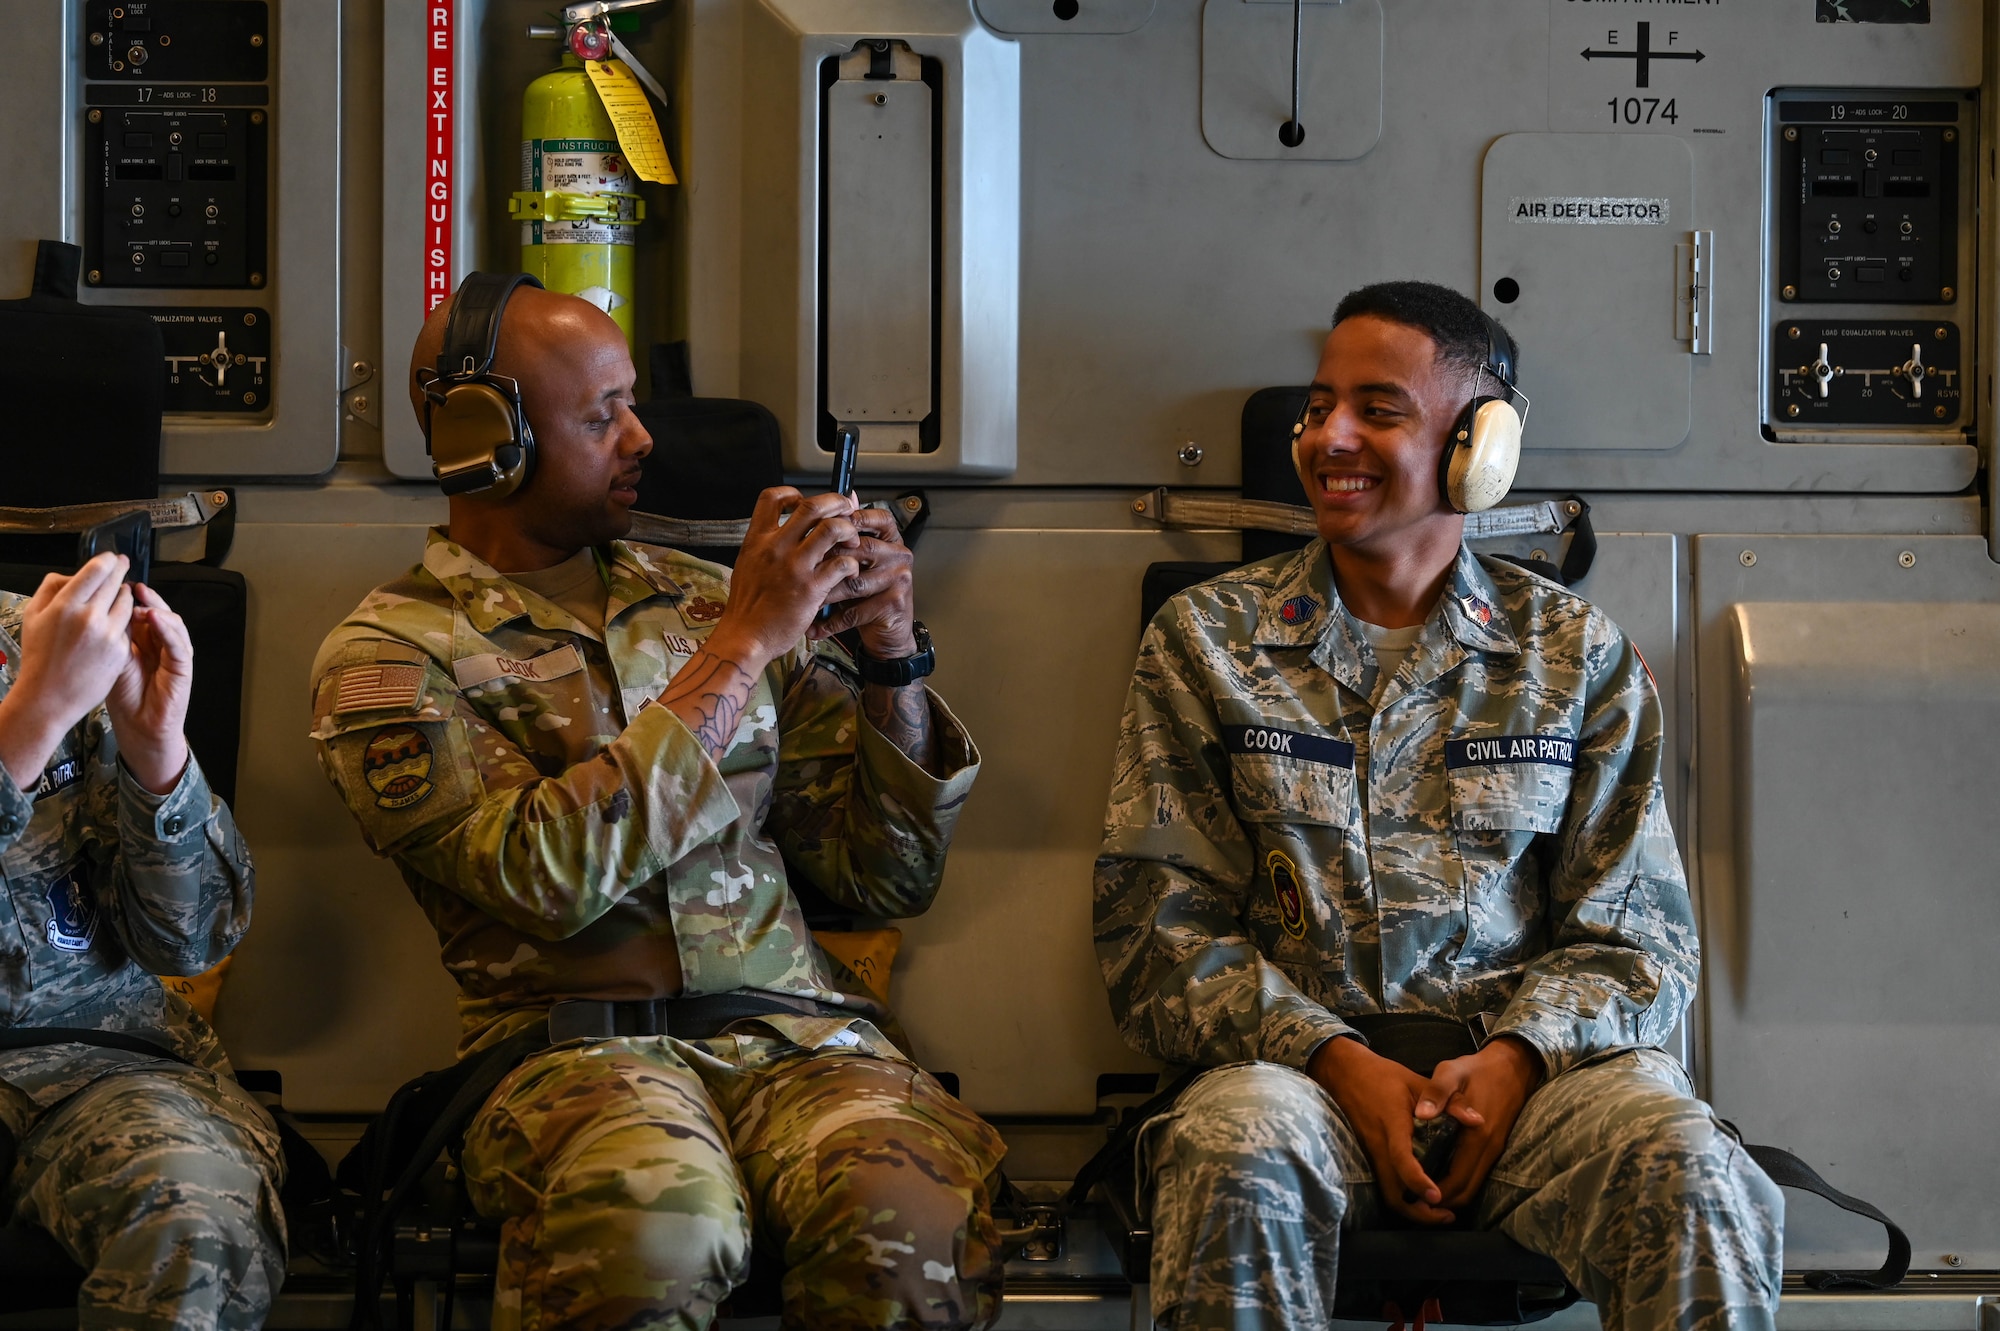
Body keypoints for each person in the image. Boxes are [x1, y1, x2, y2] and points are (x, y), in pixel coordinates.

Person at [308, 276, 1002, 1331]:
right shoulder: (391, 655)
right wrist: (739, 648)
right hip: (566, 1054)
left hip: (796, 1041)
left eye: (632, 402)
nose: (639, 437)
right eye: (600, 415)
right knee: (660, 1216)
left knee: (902, 1201)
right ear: (476, 437)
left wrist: (891, 663)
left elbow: (884, 874)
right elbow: (544, 879)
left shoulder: (700, 600)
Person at [1094, 280, 1784, 1331]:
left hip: (1535, 1088)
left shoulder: (1571, 654)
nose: (1328, 436)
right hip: (1293, 1079)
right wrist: (1335, 1057)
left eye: (1376, 409)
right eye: (1318, 405)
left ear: (1480, 447)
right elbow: (1157, 933)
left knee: (1692, 1168)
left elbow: (1637, 941)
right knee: (1228, 1147)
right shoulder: (1206, 641)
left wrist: (1515, 1061)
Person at [0, 553, 285, 1328]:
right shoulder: (44, 677)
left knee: (194, 1198)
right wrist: (28, 723)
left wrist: (154, 754)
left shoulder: (42, 641)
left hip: (94, 1066)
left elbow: (187, 944)